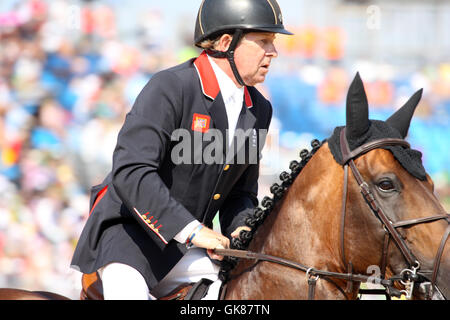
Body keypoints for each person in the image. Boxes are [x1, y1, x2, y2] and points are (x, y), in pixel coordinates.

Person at [71, 0, 292, 300]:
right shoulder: (170, 87)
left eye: (273, 42)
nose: (273, 52)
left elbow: (240, 193)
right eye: (264, 41)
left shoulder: (259, 109)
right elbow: (131, 172)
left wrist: (242, 228)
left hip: (184, 251)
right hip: (127, 242)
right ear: (227, 42)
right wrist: (192, 230)